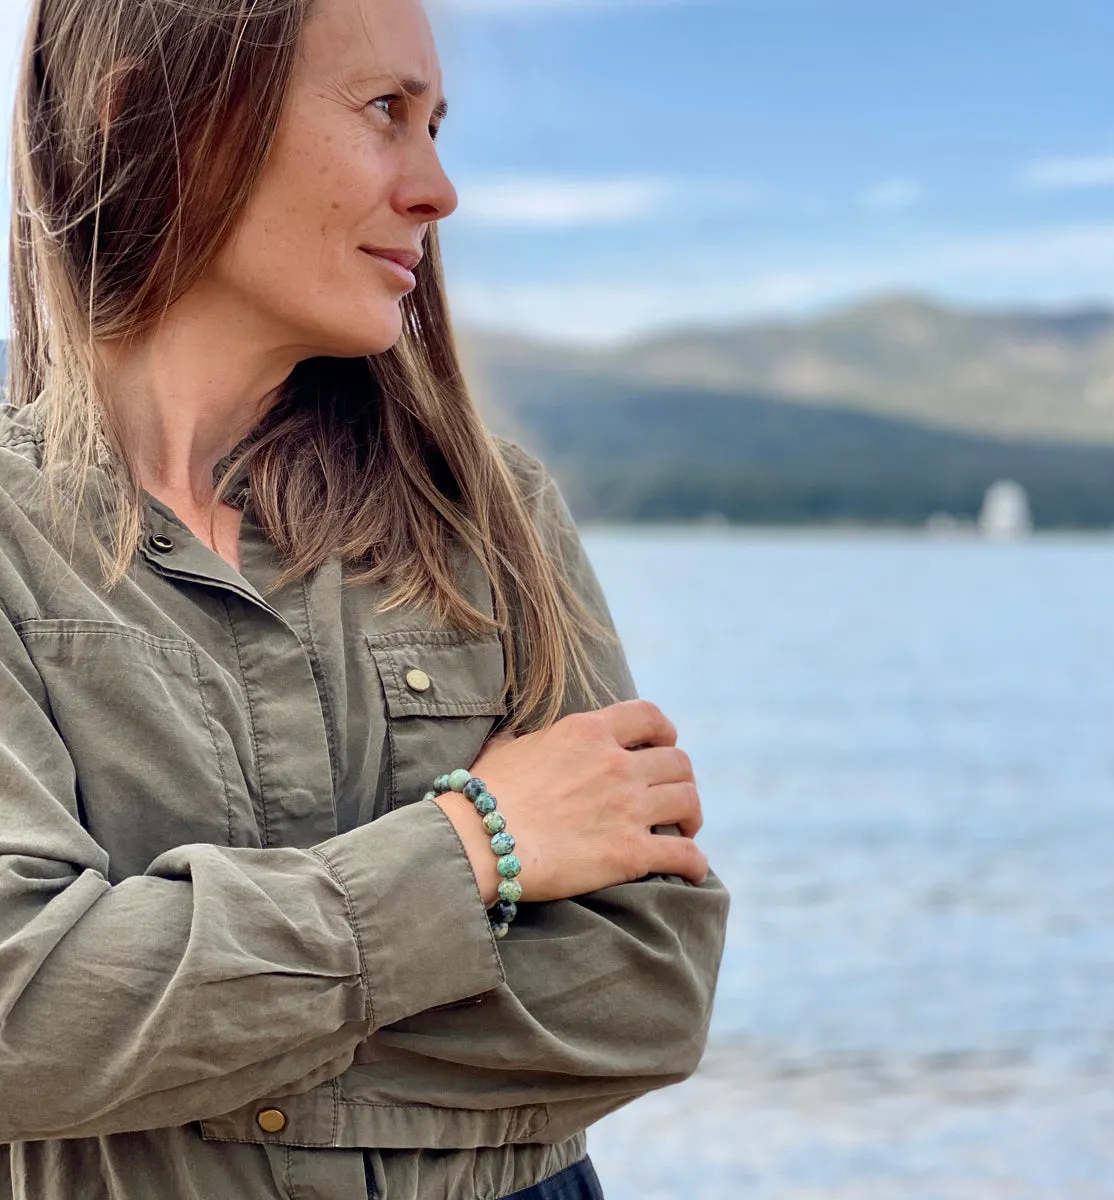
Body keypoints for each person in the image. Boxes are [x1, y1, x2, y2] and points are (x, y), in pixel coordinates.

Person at [0, 0, 730, 1196]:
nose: (440, 189)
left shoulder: (493, 523)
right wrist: (474, 849)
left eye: (438, 123)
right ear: (148, 119)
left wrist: (164, 1075)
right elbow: (19, 1019)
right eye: (386, 112)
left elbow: (649, 988)